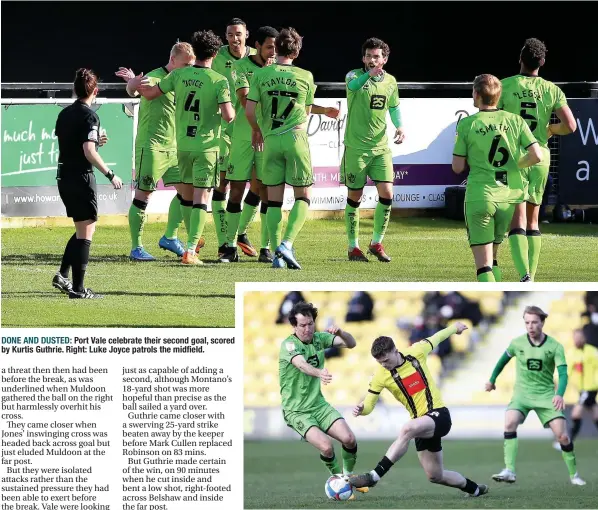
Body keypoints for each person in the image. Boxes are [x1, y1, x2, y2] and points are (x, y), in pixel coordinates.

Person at [347, 322, 489, 498]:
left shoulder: (416, 352)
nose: (384, 365)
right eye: (380, 362)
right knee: (435, 475)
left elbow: (436, 338)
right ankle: (474, 489)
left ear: (395, 350)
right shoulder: (380, 376)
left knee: (407, 429)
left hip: (439, 415)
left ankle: (374, 476)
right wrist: (362, 409)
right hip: (421, 425)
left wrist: (455, 329)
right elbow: (369, 404)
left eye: (386, 360)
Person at [133, 30, 235, 265]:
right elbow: (229, 116)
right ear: (215, 53)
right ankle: (190, 250)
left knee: (186, 197)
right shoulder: (219, 80)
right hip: (206, 147)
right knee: (201, 198)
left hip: (182, 147)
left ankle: (179, 240)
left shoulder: (179, 75)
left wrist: (133, 84)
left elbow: (150, 93)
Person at [499, 38, 577, 282]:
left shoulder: (505, 86)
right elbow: (571, 126)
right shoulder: (552, 90)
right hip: (541, 156)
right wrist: (551, 130)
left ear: (520, 58)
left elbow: (494, 120)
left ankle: (523, 274)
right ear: (541, 62)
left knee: (517, 220)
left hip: (516, 157)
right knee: (533, 220)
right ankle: (531, 274)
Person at [452, 74, 543, 282]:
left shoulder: (467, 124)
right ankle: (526, 275)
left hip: (481, 196)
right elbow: (536, 155)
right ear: (498, 95)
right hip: (507, 199)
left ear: (476, 94)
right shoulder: (515, 120)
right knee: (493, 258)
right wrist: (514, 165)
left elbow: (457, 167)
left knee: (484, 267)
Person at [485, 305, 586, 485]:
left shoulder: (555, 346)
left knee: (562, 436)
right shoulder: (517, 343)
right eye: (527, 323)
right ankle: (509, 470)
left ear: (542, 323)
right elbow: (502, 361)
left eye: (534, 322)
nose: (530, 326)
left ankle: (574, 475)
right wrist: (492, 379)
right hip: (522, 394)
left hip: (546, 396)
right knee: (509, 422)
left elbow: (563, 373)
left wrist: (560, 394)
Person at [114, 42, 196, 261]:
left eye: (192, 64)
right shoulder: (155, 77)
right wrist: (131, 83)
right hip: (151, 147)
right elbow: (134, 89)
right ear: (173, 60)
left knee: (186, 192)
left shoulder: (183, 81)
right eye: (186, 64)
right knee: (143, 196)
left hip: (175, 148)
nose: (190, 68)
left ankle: (170, 237)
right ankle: (136, 248)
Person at [245, 27, 316, 270]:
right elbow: (305, 113)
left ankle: (277, 255)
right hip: (295, 139)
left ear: (277, 48)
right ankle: (286, 243)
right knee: (303, 196)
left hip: (270, 141)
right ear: (297, 51)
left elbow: (250, 110)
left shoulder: (262, 74)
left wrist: (256, 129)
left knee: (273, 201)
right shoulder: (306, 76)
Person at [279, 301, 366, 490]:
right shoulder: (289, 345)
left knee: (349, 439)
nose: (307, 329)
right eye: (302, 325)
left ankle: (348, 479)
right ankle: (338, 481)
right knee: (326, 447)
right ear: (294, 326)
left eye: (310, 324)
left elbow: (351, 343)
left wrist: (341, 333)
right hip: (297, 411)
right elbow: (301, 364)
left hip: (318, 404)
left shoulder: (319, 338)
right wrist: (319, 373)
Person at [52, 68, 123, 299]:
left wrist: (94, 142)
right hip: (81, 176)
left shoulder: (64, 114)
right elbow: (87, 150)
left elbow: (75, 143)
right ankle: (79, 289)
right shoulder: (90, 116)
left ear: (75, 89)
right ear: (95, 90)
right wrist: (110, 174)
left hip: (64, 176)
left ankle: (62, 275)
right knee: (86, 231)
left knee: (82, 228)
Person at [341, 38, 405, 263]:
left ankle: (376, 242)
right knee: (354, 196)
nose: (371, 60)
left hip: (380, 148)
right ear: (363, 58)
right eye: (368, 56)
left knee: (387, 194)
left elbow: (394, 106)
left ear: (384, 59)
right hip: (356, 148)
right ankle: (353, 247)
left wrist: (400, 126)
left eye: (376, 56)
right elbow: (353, 87)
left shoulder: (390, 82)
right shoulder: (353, 76)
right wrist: (369, 74)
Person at [220, 25, 279, 263]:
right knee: (235, 190)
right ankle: (229, 247)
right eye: (269, 47)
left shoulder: (279, 69)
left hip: (268, 140)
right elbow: (245, 100)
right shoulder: (240, 67)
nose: (273, 52)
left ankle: (265, 248)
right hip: (243, 138)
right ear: (257, 45)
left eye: (276, 47)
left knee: (266, 191)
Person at [211, 17, 258, 257]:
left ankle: (240, 232)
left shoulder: (257, 56)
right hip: (223, 130)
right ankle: (223, 241)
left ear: (247, 34)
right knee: (223, 184)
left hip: (250, 130)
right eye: (230, 34)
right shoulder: (216, 57)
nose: (234, 38)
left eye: (238, 33)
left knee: (258, 184)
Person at [551, 328, 598, 449]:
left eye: (579, 337)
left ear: (584, 338)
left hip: (591, 388)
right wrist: (558, 381)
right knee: (595, 414)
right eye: (575, 338)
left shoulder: (592, 352)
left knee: (575, 414)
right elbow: (566, 371)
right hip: (582, 390)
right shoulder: (572, 353)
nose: (577, 340)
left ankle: (569, 441)